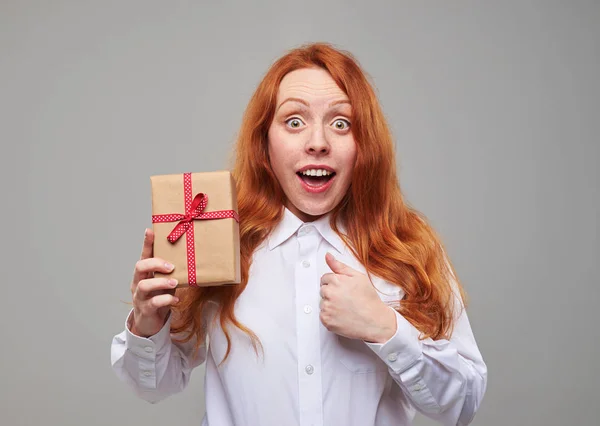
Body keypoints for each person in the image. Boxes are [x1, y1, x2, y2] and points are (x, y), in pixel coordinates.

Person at [111, 42, 487, 426]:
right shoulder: (221, 242)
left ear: (364, 146)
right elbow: (154, 386)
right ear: (264, 144)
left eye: (341, 123)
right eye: (294, 121)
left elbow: (462, 404)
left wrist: (386, 329)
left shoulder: (408, 248)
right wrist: (147, 324)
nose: (318, 142)